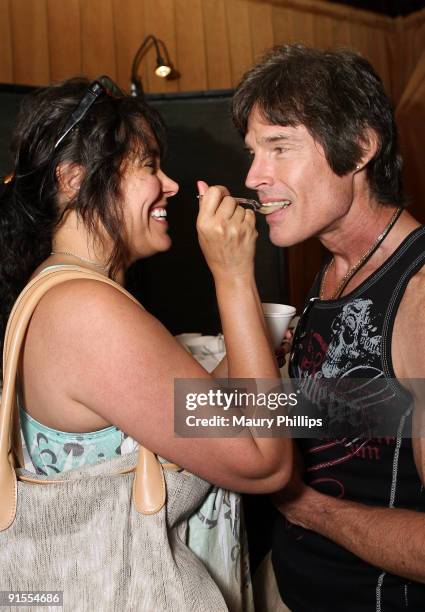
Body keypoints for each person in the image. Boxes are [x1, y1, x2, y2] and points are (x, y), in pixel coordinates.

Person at [0, 76, 292, 611]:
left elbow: (190, 415)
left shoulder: (66, 291)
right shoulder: (86, 312)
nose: (171, 184)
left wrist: (256, 350)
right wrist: (233, 276)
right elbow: (263, 461)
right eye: (148, 165)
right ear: (73, 179)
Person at [232, 44, 425, 611]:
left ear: (361, 146)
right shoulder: (334, 269)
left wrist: (302, 504)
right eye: (252, 151)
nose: (253, 176)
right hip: (291, 583)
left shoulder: (417, 290)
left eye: (280, 147)